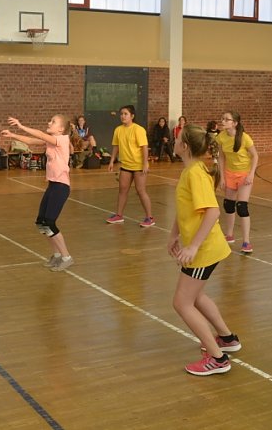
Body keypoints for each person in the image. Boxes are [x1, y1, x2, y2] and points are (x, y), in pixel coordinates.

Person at [167, 124, 239, 376]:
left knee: (181, 302)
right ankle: (227, 338)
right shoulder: (192, 171)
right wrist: (175, 234)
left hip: (204, 251)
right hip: (204, 248)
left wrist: (193, 246)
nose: (173, 141)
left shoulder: (195, 174)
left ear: (184, 146)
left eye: (176, 139)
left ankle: (217, 358)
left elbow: (212, 211)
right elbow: (188, 208)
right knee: (195, 297)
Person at [2, 114, 74, 272]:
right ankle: (56, 255)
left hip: (61, 187)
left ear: (61, 129)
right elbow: (31, 141)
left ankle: (66, 257)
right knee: (41, 222)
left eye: (53, 121)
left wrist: (20, 125)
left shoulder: (62, 139)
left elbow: (41, 135)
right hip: (52, 185)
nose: (49, 122)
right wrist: (13, 135)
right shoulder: (50, 141)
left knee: (50, 222)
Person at [216, 111, 259, 253]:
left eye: (226, 119)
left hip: (244, 174)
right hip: (229, 173)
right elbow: (221, 158)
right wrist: (222, 177)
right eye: (222, 119)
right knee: (228, 205)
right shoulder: (221, 137)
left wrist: (251, 174)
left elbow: (255, 156)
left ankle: (246, 242)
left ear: (234, 123)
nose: (223, 121)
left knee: (242, 207)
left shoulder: (244, 138)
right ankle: (229, 235)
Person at [106, 105, 155, 227]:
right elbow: (116, 146)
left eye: (125, 114)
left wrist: (145, 163)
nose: (123, 116)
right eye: (121, 113)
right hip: (125, 165)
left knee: (140, 191)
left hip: (138, 166)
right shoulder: (118, 130)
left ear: (132, 116)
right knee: (122, 190)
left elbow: (144, 147)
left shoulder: (139, 130)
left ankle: (149, 217)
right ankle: (119, 215)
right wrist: (112, 161)